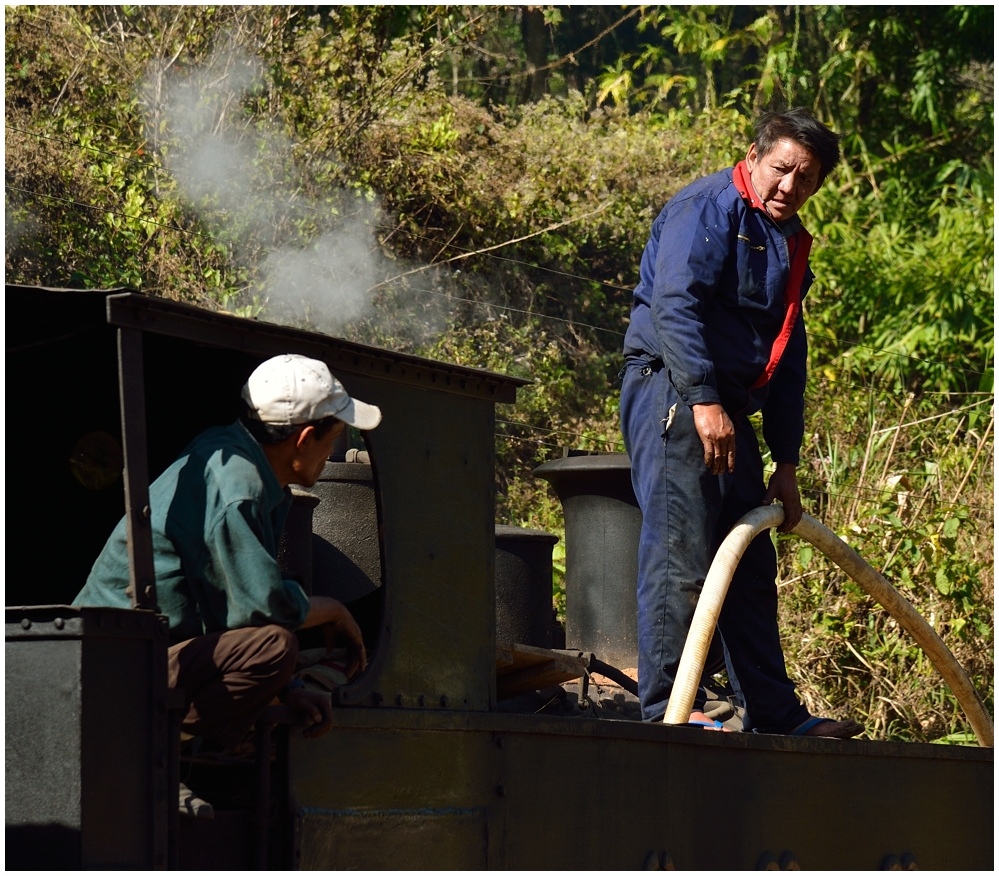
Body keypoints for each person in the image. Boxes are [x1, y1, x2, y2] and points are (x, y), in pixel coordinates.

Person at [619, 108, 862, 738]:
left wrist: (785, 461)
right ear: (752, 155)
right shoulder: (705, 209)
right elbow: (676, 306)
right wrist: (701, 401)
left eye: (804, 180)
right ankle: (669, 711)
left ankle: (777, 716)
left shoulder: (789, 242)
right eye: (781, 169)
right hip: (673, 393)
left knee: (748, 559)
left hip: (728, 410)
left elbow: (788, 350)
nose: (789, 187)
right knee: (680, 550)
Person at [74, 353, 383, 814]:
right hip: (115, 666)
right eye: (333, 438)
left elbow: (224, 613)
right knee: (275, 646)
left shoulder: (239, 461)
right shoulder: (236, 483)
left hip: (137, 657)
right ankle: (151, 756)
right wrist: (334, 609)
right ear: (302, 439)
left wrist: (288, 692)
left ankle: (185, 750)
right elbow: (263, 611)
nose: (330, 452)